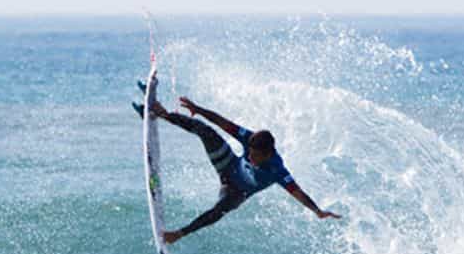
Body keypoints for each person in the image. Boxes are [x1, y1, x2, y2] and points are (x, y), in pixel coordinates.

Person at [136, 89, 341, 244]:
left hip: (236, 192)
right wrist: (198, 110)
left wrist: (317, 211)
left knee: (219, 210)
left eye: (255, 156)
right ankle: (161, 114)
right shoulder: (251, 138)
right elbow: (222, 122)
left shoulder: (277, 170)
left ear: (268, 154)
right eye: (250, 152)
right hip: (229, 166)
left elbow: (298, 193)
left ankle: (178, 234)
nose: (251, 158)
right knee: (206, 131)